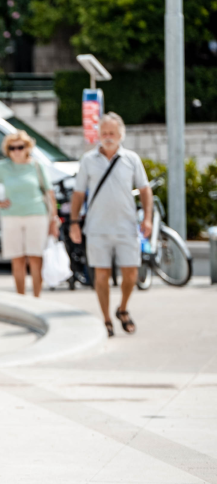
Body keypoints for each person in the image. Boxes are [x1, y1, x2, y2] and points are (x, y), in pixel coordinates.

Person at [68, 112, 152, 337]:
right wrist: (74, 222)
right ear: (98, 135)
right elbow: (78, 194)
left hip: (126, 226)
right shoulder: (88, 160)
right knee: (101, 276)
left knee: (131, 274)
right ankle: (106, 318)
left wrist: (148, 218)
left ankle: (122, 308)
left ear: (120, 135)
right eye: (104, 133)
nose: (108, 136)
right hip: (97, 228)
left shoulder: (131, 159)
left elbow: (145, 190)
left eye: (112, 133)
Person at [0, 131, 59, 296]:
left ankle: (37, 298)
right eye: (12, 148)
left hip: (37, 215)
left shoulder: (36, 166)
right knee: (17, 259)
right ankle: (21, 298)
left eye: (20, 147)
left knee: (35, 258)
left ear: (27, 147)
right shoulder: (3, 167)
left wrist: (54, 219)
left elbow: (49, 193)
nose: (16, 151)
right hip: (11, 217)